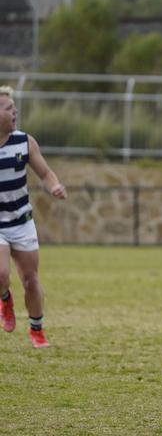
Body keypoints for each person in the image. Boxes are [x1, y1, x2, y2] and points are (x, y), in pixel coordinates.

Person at [0, 85, 67, 348]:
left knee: (30, 279)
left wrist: (54, 186)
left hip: (21, 222)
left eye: (15, 107)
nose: (15, 111)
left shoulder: (24, 142)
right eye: (8, 108)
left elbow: (46, 173)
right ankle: (5, 299)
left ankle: (36, 329)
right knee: (1, 274)